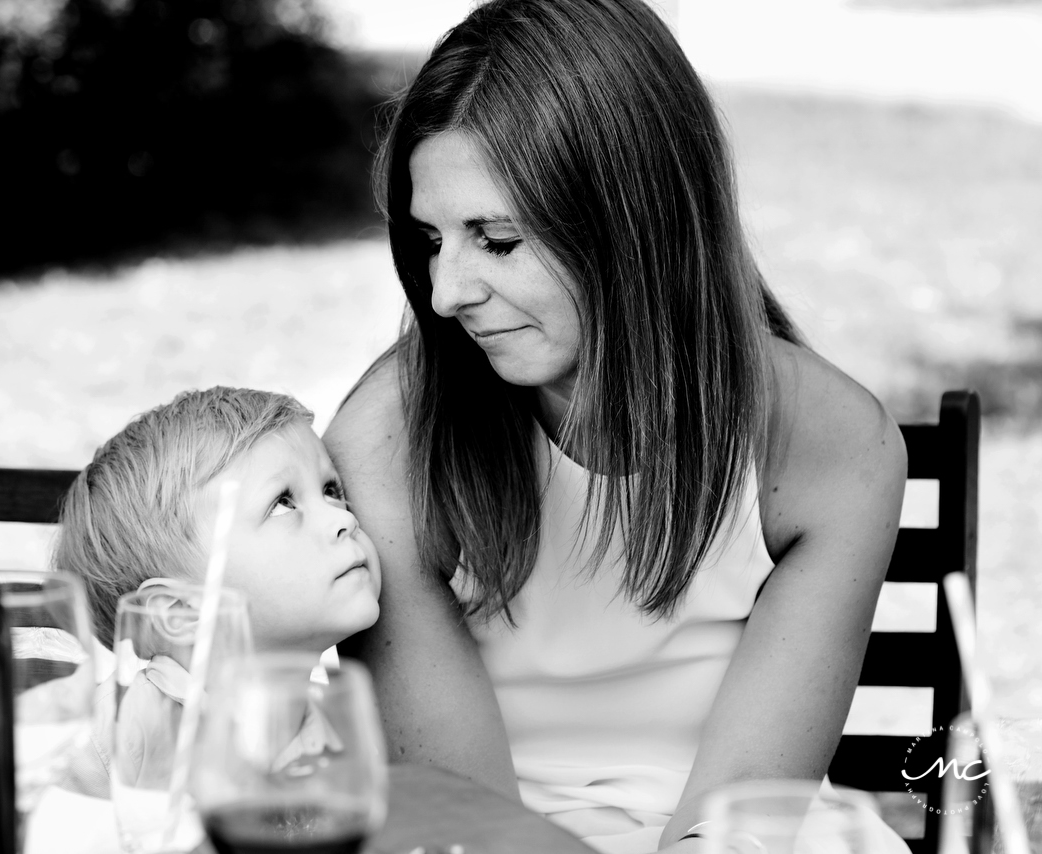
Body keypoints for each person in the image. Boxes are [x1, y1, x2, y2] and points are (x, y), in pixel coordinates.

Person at [322, 2, 909, 853]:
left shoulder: (832, 446)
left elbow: (741, 818)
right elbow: (468, 825)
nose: (446, 295)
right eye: (430, 240)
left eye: (495, 240)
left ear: (634, 225)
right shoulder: (389, 439)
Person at [49, 386, 382, 796]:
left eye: (331, 490)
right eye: (282, 503)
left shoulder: (328, 729)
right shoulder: (117, 735)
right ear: (180, 613)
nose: (341, 518)